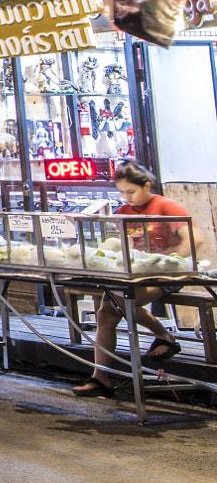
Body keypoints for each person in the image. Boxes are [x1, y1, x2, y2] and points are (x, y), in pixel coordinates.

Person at [75, 162, 192, 397]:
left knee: (117, 301)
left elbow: (193, 242)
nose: (126, 197)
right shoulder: (124, 213)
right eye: (121, 192)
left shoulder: (166, 206)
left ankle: (164, 336)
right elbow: (122, 245)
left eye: (131, 191)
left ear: (146, 186)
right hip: (133, 274)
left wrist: (164, 258)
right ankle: (100, 378)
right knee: (105, 313)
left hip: (166, 273)